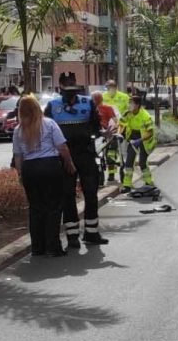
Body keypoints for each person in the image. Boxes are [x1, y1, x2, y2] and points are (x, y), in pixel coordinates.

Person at [45, 77, 109, 247]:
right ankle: (72, 236)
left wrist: (105, 133)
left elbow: (96, 126)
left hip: (86, 154)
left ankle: (91, 233)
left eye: (73, 90)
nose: (71, 94)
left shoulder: (88, 103)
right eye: (67, 90)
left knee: (91, 193)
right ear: (61, 89)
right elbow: (46, 130)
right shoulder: (52, 106)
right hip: (64, 156)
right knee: (67, 195)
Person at [12, 95, 75, 257]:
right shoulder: (49, 124)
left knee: (35, 208)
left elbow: (18, 155)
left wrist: (20, 174)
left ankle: (37, 247)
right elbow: (62, 147)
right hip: (50, 166)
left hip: (30, 169)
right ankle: (53, 246)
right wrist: (69, 163)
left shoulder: (18, 130)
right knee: (53, 207)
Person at [119, 94, 157, 193]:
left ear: (138, 105)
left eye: (131, 103)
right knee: (129, 162)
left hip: (145, 140)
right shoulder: (127, 113)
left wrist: (139, 141)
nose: (129, 105)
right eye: (129, 103)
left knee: (142, 162)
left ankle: (149, 182)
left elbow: (150, 132)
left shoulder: (145, 116)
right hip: (132, 138)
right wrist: (118, 134)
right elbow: (121, 124)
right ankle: (127, 185)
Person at [92, 91, 122, 181]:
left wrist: (116, 128)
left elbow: (115, 120)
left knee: (111, 155)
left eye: (95, 98)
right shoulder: (91, 109)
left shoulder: (107, 108)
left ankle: (111, 174)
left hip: (106, 133)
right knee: (97, 154)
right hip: (96, 134)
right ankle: (101, 173)